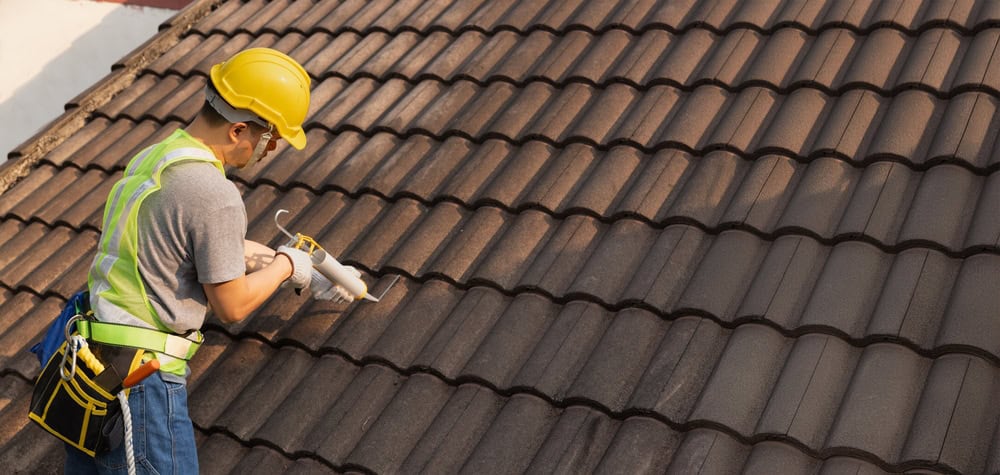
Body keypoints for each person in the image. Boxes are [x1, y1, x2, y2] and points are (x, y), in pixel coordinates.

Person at [63, 47, 350, 474]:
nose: (270, 150)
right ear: (237, 130)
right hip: (141, 384)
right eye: (271, 138)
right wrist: (287, 266)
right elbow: (231, 307)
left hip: (92, 368)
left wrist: (252, 254)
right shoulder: (215, 194)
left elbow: (164, 242)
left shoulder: (155, 156)